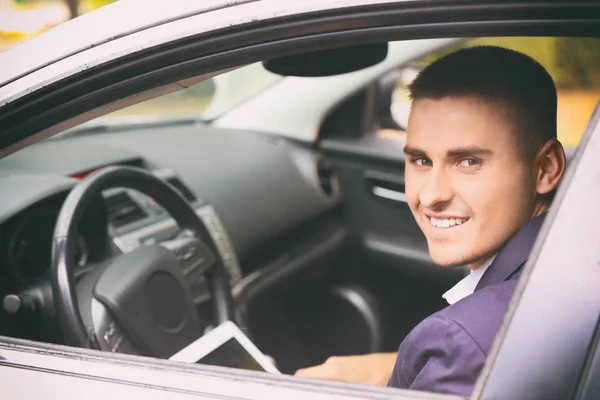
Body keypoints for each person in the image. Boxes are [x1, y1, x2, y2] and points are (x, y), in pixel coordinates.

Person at [294, 45, 566, 395]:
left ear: (546, 168)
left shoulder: (462, 343)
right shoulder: (566, 261)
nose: (430, 195)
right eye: (421, 160)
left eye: (468, 161)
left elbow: (468, 351)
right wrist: (388, 368)